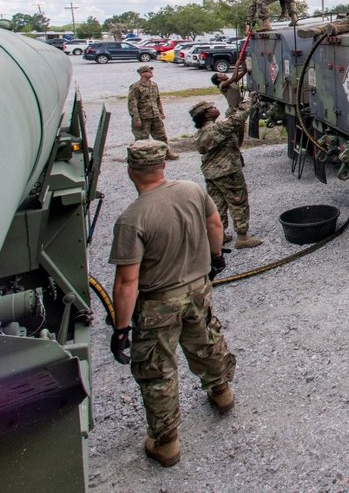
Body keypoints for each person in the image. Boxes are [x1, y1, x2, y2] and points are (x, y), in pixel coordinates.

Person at [108, 140, 236, 468]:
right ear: (163, 165)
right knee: (207, 342)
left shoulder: (132, 219)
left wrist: (121, 328)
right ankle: (221, 392)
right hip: (198, 291)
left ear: (130, 172)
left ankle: (166, 443)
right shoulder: (192, 190)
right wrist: (216, 256)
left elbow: (127, 282)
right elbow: (215, 225)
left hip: (158, 304)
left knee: (157, 371)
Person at [190, 95, 263, 249]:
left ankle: (219, 235)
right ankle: (242, 238)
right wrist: (249, 100)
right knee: (238, 202)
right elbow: (238, 119)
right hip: (227, 171)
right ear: (206, 114)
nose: (216, 108)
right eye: (212, 108)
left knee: (218, 205)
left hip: (211, 173)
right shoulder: (216, 128)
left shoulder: (201, 132)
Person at [127, 65, 178, 160]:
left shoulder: (154, 85)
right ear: (142, 74)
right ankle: (139, 157)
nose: (151, 72)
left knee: (161, 136)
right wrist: (136, 118)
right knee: (142, 139)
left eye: (151, 70)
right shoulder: (136, 87)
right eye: (148, 71)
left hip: (155, 115)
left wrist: (161, 112)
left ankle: (166, 153)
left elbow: (157, 100)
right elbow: (132, 103)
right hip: (143, 117)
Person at [211, 71, 245, 145]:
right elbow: (233, 78)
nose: (224, 74)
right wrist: (238, 62)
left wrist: (241, 61)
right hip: (233, 112)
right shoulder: (222, 85)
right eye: (221, 74)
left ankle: (236, 152)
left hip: (238, 111)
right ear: (218, 80)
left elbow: (244, 71)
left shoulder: (231, 83)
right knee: (234, 136)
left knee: (240, 135)